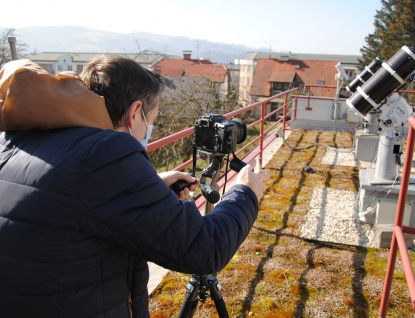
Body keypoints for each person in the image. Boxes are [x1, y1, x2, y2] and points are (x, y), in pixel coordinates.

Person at [0, 55, 269, 318]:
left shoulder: (26, 137)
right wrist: (245, 192)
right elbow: (205, 248)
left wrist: (147, 187)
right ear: (134, 112)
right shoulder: (105, 155)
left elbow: (73, 199)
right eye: (149, 122)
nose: (146, 131)